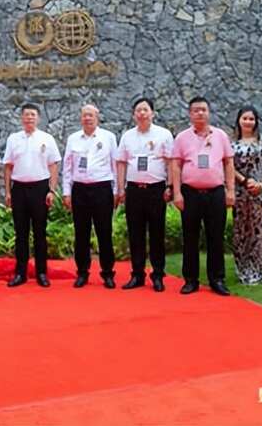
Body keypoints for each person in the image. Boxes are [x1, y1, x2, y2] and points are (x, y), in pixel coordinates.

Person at [171, 96, 235, 296]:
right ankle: (190, 280)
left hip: (215, 192)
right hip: (190, 193)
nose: (200, 113)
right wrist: (177, 193)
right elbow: (175, 165)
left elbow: (228, 163)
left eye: (203, 110)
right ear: (190, 114)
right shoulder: (182, 137)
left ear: (209, 112)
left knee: (215, 237)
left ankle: (217, 279)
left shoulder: (220, 136)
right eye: (196, 110)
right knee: (190, 237)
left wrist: (230, 190)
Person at [115, 98, 174, 292]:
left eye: (145, 110)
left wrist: (170, 186)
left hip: (156, 190)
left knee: (157, 233)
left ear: (152, 113)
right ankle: (137, 274)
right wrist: (121, 188)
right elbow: (121, 163)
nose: (142, 113)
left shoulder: (163, 134)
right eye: (138, 110)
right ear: (134, 114)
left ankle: (158, 274)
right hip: (134, 190)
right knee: (135, 234)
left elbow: (170, 162)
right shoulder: (127, 136)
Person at [3, 103, 61, 287]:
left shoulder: (47, 138)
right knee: (21, 233)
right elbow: (8, 166)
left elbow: (53, 165)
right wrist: (9, 192)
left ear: (38, 118)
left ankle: (41, 273)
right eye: (26, 115)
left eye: (33, 115)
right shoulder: (14, 139)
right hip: (19, 189)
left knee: (39, 233)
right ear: (21, 118)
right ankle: (20, 273)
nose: (29, 118)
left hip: (40, 189)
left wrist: (52, 190)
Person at [62, 104, 118, 289]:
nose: (87, 118)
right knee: (81, 233)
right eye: (85, 115)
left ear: (97, 118)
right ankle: (82, 273)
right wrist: (66, 192)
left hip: (102, 188)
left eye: (91, 115)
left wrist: (117, 190)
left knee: (104, 233)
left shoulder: (108, 137)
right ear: (81, 118)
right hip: (80, 190)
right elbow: (67, 167)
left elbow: (115, 165)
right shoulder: (73, 139)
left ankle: (108, 273)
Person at [231, 106, 262, 285]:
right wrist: (244, 181)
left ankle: (259, 269)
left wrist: (261, 184)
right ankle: (242, 269)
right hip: (240, 192)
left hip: (259, 194)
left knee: (259, 231)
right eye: (245, 118)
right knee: (241, 231)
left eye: (251, 119)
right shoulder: (231, 144)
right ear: (239, 121)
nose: (248, 122)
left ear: (256, 122)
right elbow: (228, 166)